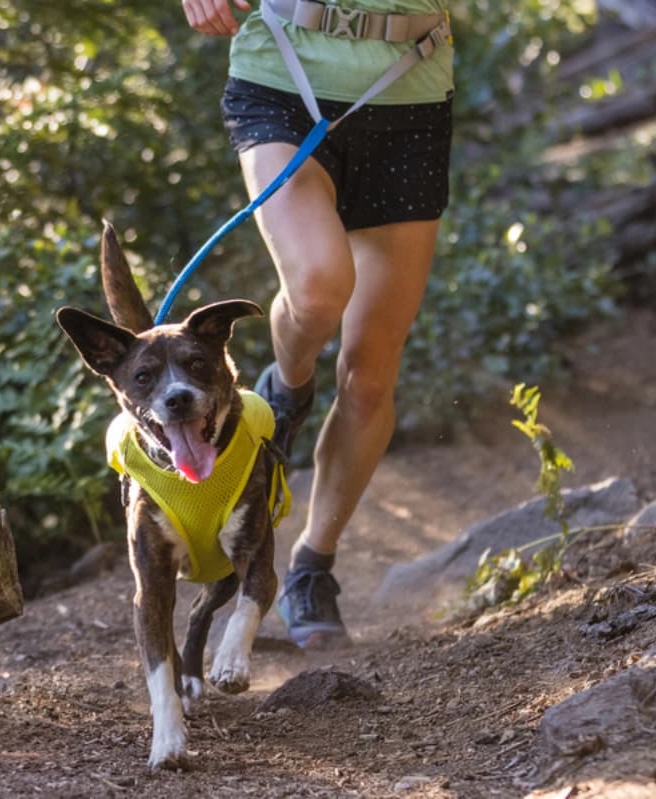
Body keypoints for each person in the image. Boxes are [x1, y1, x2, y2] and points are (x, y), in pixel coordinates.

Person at [181, 0, 454, 649]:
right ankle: (288, 385)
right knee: (317, 290)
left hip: (410, 93)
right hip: (282, 71)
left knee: (368, 376)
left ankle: (310, 567)